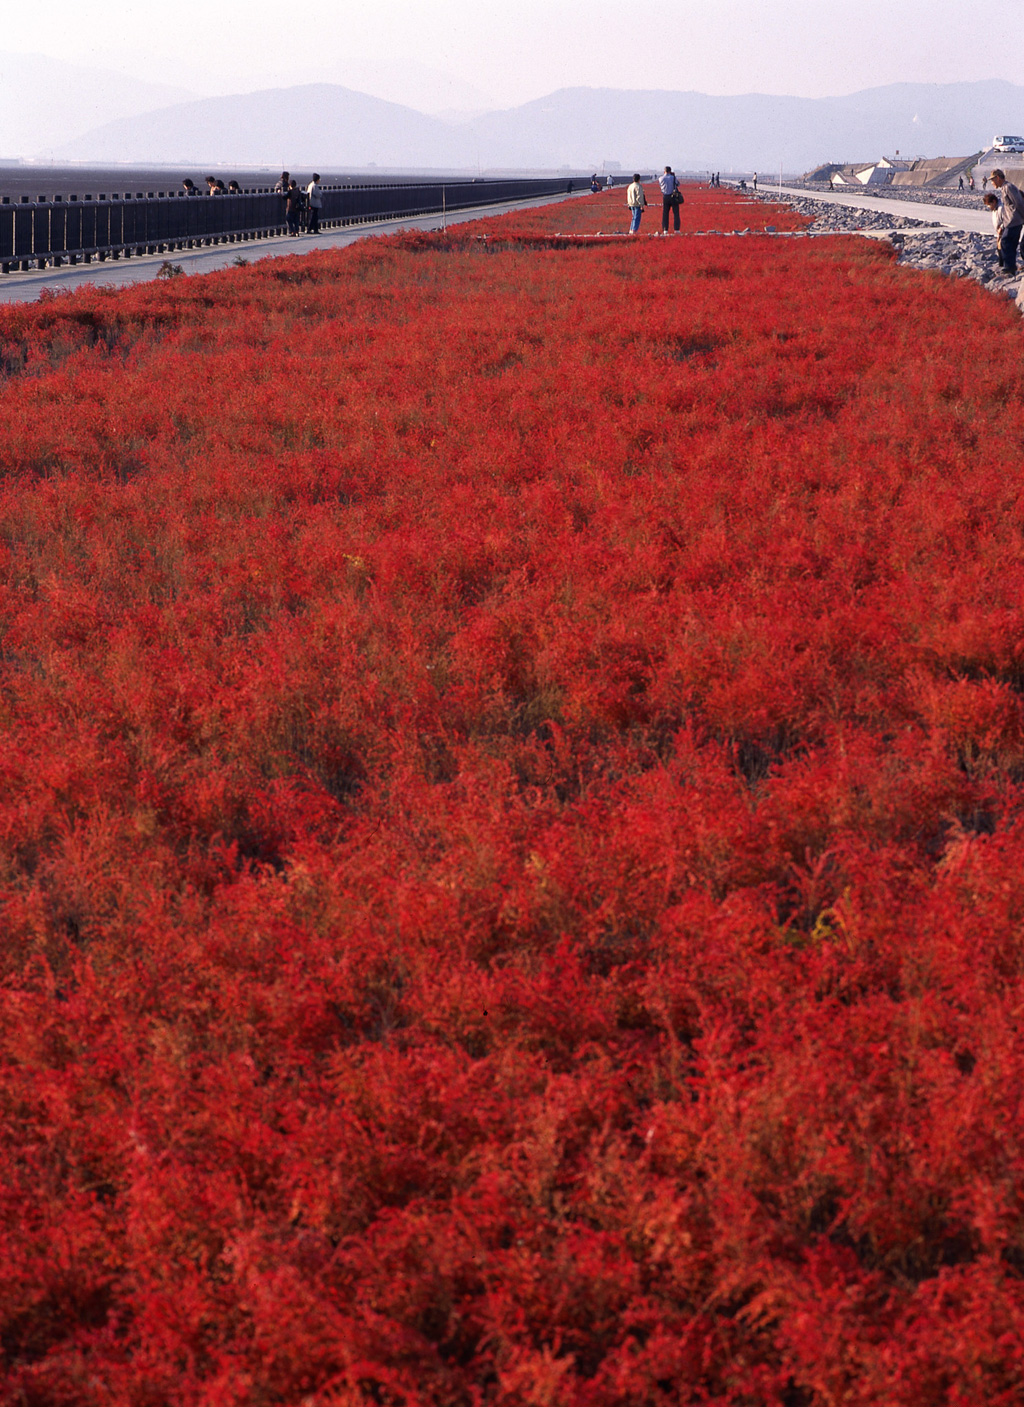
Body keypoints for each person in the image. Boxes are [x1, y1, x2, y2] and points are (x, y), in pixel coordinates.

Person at [990, 168, 1024, 275]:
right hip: (1011, 221)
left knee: (1006, 241)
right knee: (1010, 243)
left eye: (993, 180)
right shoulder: (1005, 188)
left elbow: (1018, 203)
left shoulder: (1008, 187)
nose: (992, 183)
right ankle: (1010, 267)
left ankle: (1009, 267)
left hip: (1014, 221)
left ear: (998, 178)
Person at [658, 165, 683, 233]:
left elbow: (660, 185)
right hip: (673, 196)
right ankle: (676, 229)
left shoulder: (661, 178)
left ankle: (665, 229)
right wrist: (673, 176)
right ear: (670, 171)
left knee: (665, 213)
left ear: (664, 171)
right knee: (676, 213)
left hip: (665, 196)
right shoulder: (673, 178)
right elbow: (678, 184)